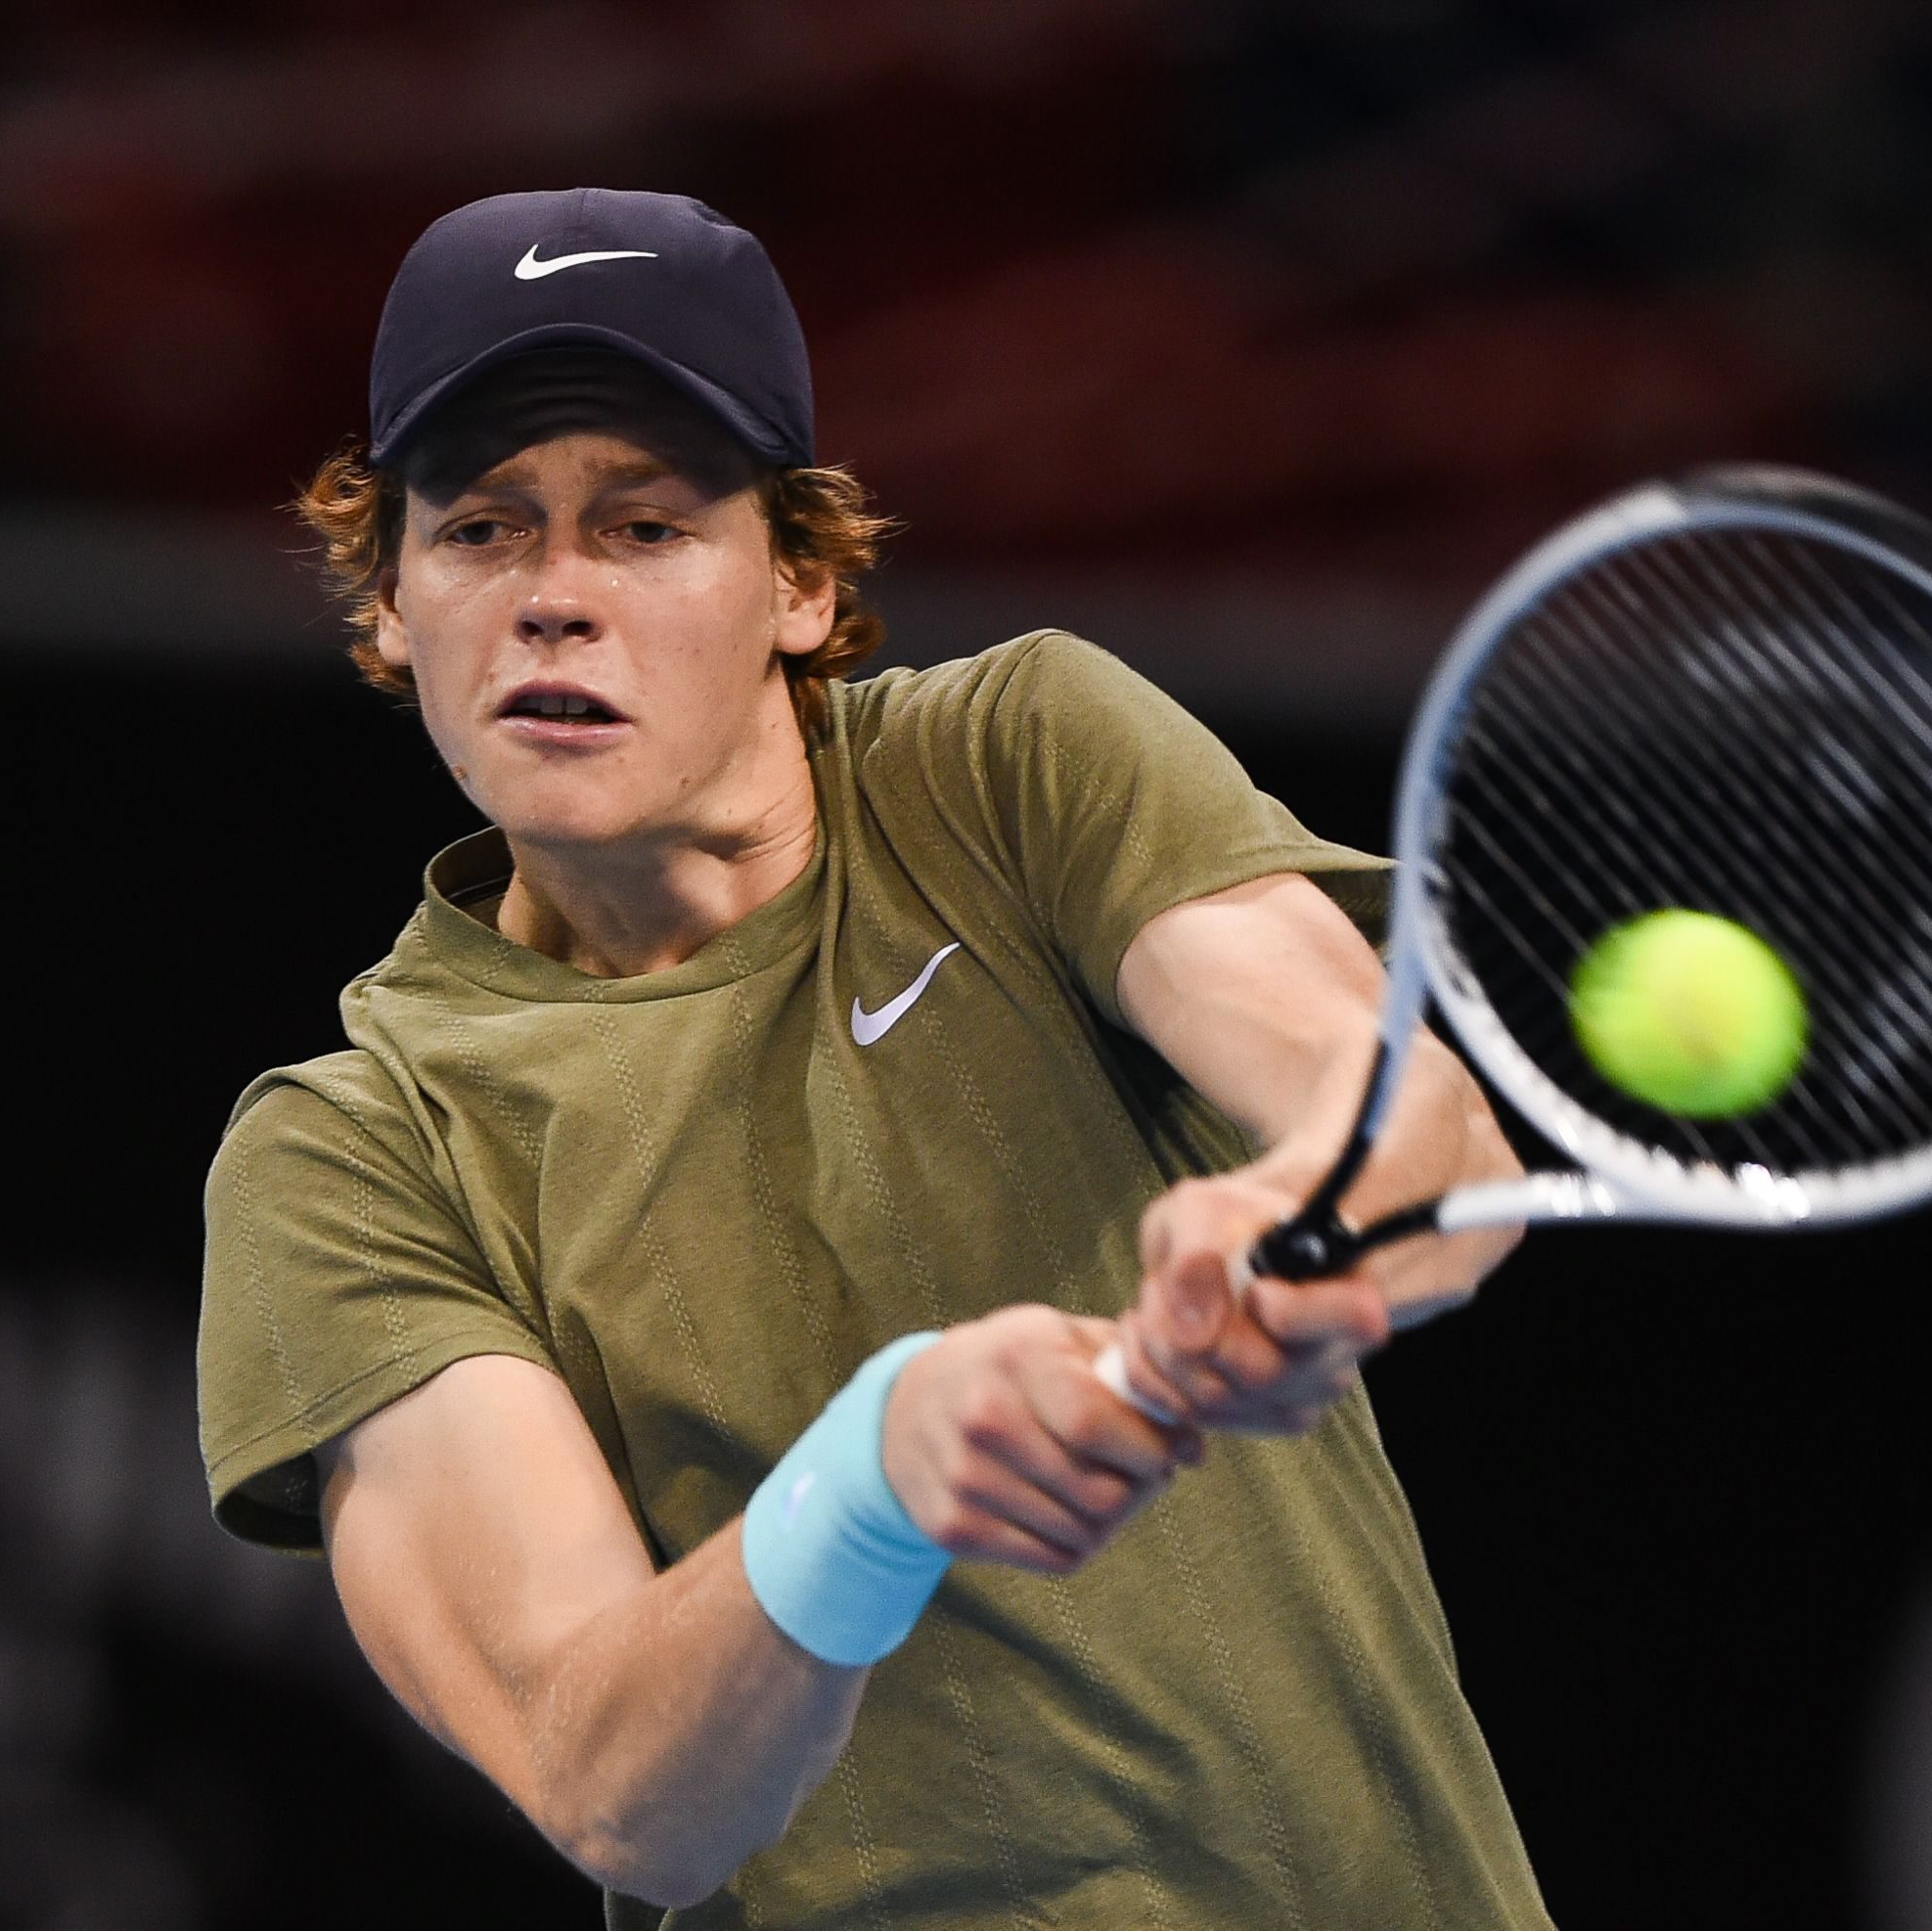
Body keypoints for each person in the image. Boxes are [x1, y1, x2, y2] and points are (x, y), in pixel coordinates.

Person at [198, 187, 1550, 1929]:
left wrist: (1297, 1216)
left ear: (801, 578)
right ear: (390, 600)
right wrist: (877, 1476)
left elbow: (1412, 1120)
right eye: (479, 528)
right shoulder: (354, 1158)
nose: (554, 600)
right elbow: (614, 1784)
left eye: (645, 526)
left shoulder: (1015, 762)